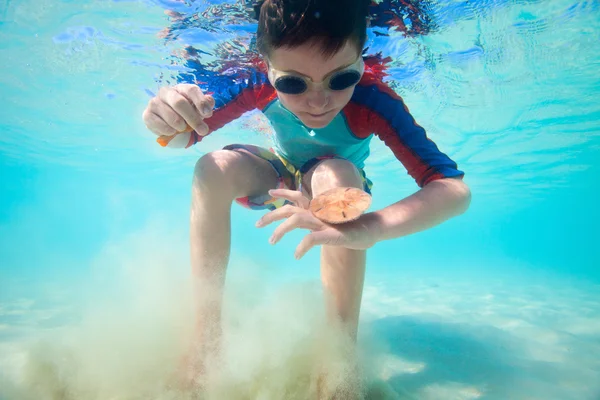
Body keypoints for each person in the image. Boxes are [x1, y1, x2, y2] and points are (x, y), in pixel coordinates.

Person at [142, 0, 471, 396]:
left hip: (335, 192)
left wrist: (371, 229)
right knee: (213, 167)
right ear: (267, 69)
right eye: (293, 84)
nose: (319, 102)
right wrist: (166, 117)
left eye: (340, 79)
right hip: (279, 178)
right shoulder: (255, 86)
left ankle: (338, 356)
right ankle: (204, 341)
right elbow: (179, 136)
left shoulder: (373, 100)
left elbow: (453, 189)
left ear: (362, 63)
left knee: (337, 175)